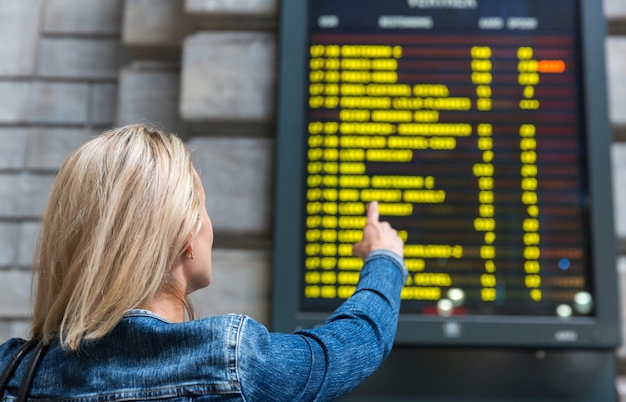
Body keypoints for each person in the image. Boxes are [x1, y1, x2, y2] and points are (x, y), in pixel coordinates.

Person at [0, 124, 407, 402]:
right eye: (203, 209)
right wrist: (384, 258)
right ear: (183, 234)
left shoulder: (14, 370)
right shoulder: (229, 359)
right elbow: (353, 344)